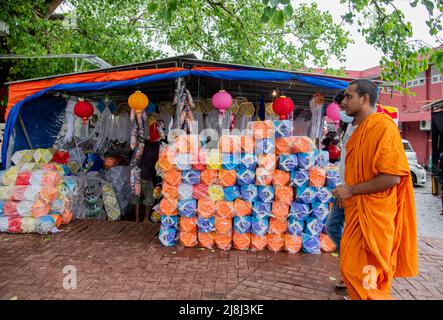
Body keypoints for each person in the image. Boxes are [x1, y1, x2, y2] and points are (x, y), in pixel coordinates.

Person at [332, 79, 418, 300]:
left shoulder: (383, 127)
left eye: (349, 96)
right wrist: (347, 191)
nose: (343, 101)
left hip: (375, 216)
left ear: (365, 98)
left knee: (367, 276)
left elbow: (392, 177)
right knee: (351, 268)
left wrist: (351, 190)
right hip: (356, 211)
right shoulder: (357, 130)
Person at [325, 89, 357, 289]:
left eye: (346, 101)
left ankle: (350, 270)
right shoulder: (347, 129)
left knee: (340, 229)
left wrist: (348, 189)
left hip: (352, 191)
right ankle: (349, 264)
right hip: (343, 187)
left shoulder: (360, 128)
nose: (342, 107)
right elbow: (346, 162)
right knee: (332, 227)